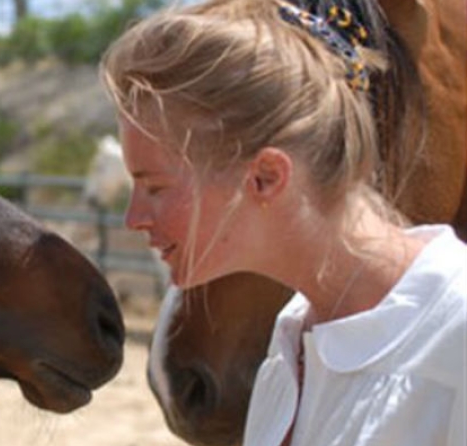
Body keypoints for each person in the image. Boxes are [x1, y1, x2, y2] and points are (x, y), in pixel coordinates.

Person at [99, 0, 466, 445]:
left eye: (156, 187)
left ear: (266, 177)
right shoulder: (290, 346)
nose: (132, 218)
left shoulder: (453, 345)